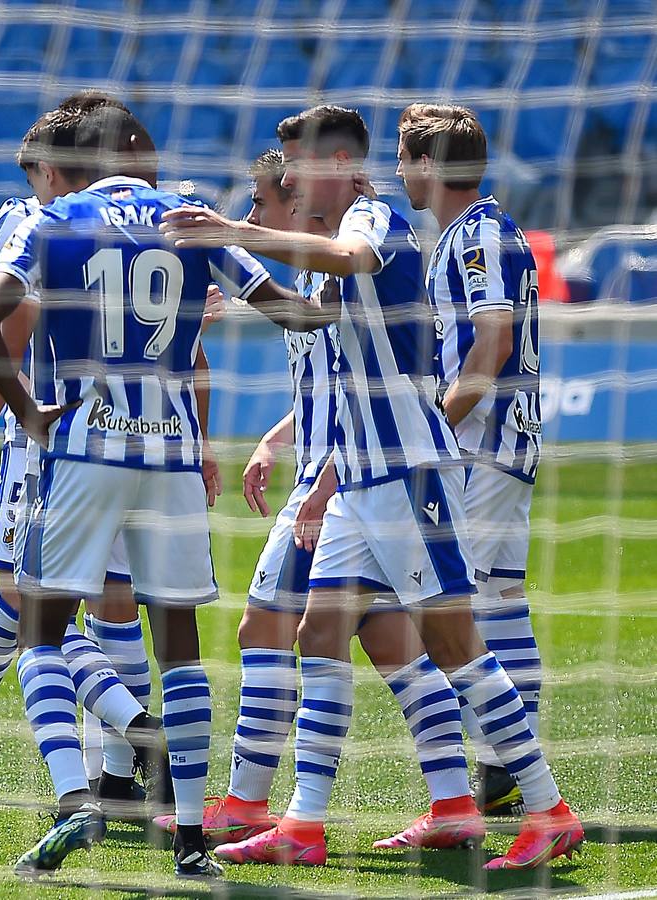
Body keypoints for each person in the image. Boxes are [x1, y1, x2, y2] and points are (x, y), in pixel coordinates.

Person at [163, 104, 581, 870]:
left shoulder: (375, 219)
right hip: (358, 474)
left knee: (456, 642)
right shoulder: (341, 237)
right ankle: (303, 824)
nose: (287, 177)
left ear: (343, 165)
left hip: (408, 470)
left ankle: (549, 809)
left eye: (297, 164)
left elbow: (348, 261)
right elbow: (302, 316)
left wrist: (233, 232)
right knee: (317, 633)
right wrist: (222, 262)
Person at [0, 102, 304, 879]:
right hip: (173, 456)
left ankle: (77, 795)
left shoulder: (55, 219)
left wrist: (26, 411)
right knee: (179, 648)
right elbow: (294, 312)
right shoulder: (192, 219)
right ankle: (189, 840)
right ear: (127, 149)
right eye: (147, 145)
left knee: (40, 631)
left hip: (84, 447)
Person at [156, 149, 483, 853]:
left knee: (264, 628)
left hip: (351, 479)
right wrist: (276, 437)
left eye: (259, 205)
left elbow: (361, 399)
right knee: (388, 644)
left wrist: (324, 483)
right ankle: (453, 799)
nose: (252, 215)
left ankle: (249, 803)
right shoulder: (316, 275)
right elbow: (319, 381)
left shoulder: (340, 263)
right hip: (342, 474)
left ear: (295, 202)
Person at [397, 102, 546, 819]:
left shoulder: (479, 233)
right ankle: (508, 769)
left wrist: (433, 425)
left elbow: (490, 345)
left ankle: (500, 768)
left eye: (406, 159)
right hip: (503, 446)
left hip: (480, 449)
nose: (400, 173)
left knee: (456, 609)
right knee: (499, 607)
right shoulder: (476, 229)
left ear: (428, 165)